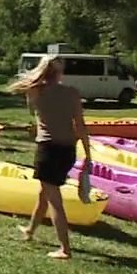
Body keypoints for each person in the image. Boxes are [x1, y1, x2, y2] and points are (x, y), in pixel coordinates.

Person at [7, 55, 91, 260]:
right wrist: (88, 153)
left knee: (54, 199)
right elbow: (80, 126)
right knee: (45, 192)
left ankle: (65, 249)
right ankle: (30, 230)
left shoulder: (35, 91)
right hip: (67, 150)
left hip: (48, 149)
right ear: (61, 72)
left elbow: (32, 110)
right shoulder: (72, 93)